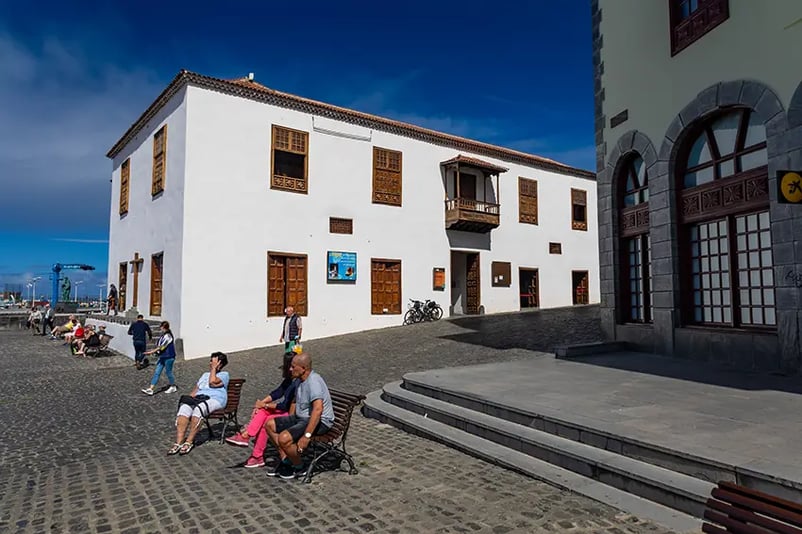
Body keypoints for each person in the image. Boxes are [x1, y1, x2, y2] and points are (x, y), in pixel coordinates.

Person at [265, 352, 334, 479]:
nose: (290, 369)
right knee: (270, 425)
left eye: (293, 366)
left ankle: (299, 466)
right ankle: (287, 460)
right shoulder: (299, 380)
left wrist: (306, 436)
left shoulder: (313, 382)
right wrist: (289, 421)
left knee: (284, 438)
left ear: (303, 369)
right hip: (301, 418)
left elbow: (318, 410)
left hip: (319, 421)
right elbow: (295, 402)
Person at [224, 353, 299, 468]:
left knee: (266, 420)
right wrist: (260, 405)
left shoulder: (298, 384)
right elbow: (277, 392)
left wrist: (264, 405)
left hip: (291, 414)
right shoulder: (289, 380)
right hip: (284, 411)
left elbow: (284, 406)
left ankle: (255, 452)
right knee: (262, 413)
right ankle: (247, 439)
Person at [168, 352, 230, 455]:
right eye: (211, 360)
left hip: (215, 399)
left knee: (199, 409)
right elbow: (196, 390)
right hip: (199, 398)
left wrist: (214, 368)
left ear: (220, 364)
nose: (211, 363)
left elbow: (212, 382)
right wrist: (188, 400)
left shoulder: (224, 375)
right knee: (184, 409)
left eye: (214, 361)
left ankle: (189, 441)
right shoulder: (204, 375)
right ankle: (179, 442)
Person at [141, 321, 176, 395]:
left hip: (169, 357)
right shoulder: (163, 335)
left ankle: (173, 386)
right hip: (163, 357)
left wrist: (151, 352)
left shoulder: (168, 336)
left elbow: (161, 347)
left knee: (168, 372)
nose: (160, 328)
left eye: (161, 327)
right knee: (157, 372)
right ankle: (150, 389)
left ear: (163, 327)